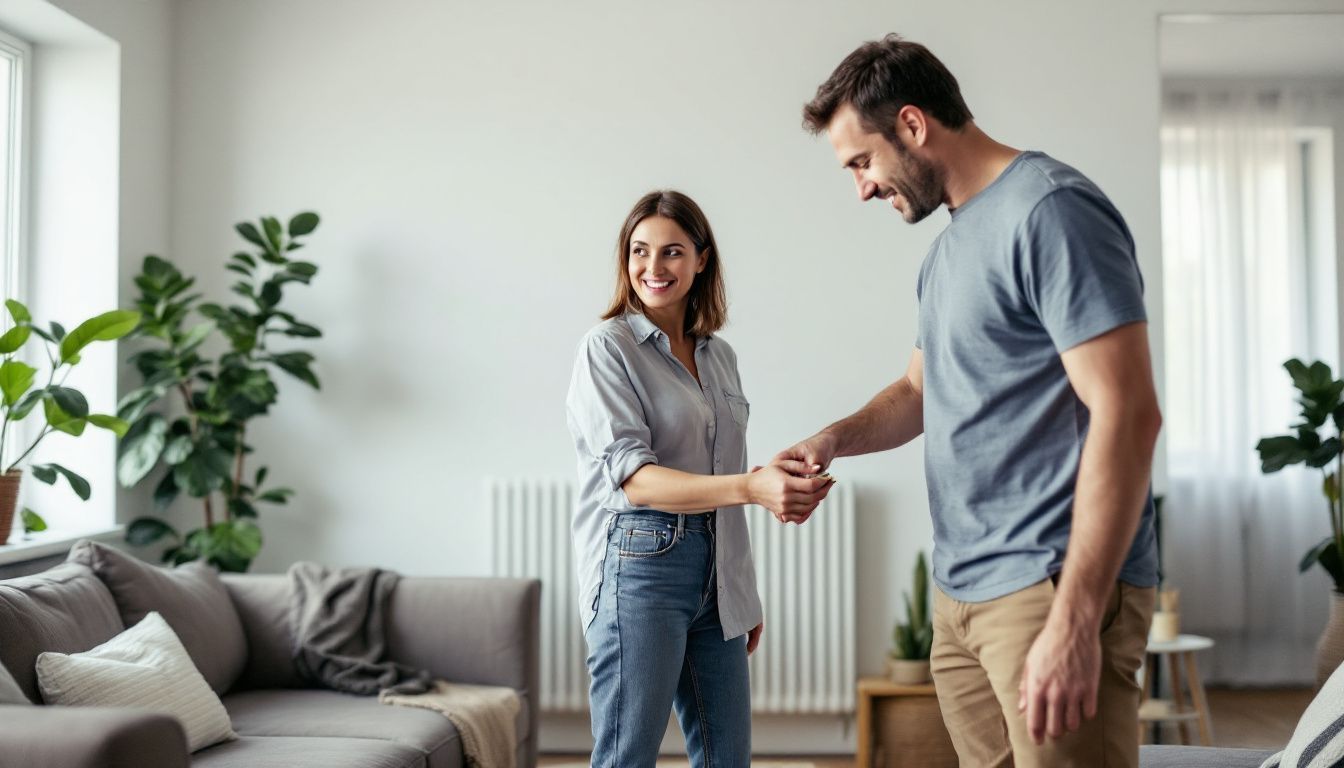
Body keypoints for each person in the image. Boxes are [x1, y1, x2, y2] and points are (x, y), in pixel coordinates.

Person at [777, 35, 1163, 767]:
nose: (860, 187)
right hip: (961, 598)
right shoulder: (947, 252)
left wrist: (1076, 618)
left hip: (1046, 585)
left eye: (862, 161)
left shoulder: (1051, 211)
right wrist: (833, 439)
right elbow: (920, 391)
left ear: (914, 126)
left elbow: (1130, 413)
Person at [565, 190, 832, 767]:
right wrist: (752, 487)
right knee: (627, 757)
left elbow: (722, 472)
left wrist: (742, 590)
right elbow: (636, 480)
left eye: (672, 252)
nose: (653, 269)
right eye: (640, 252)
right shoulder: (606, 348)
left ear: (702, 259)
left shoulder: (719, 357)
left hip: (719, 577)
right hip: (641, 566)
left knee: (726, 759)